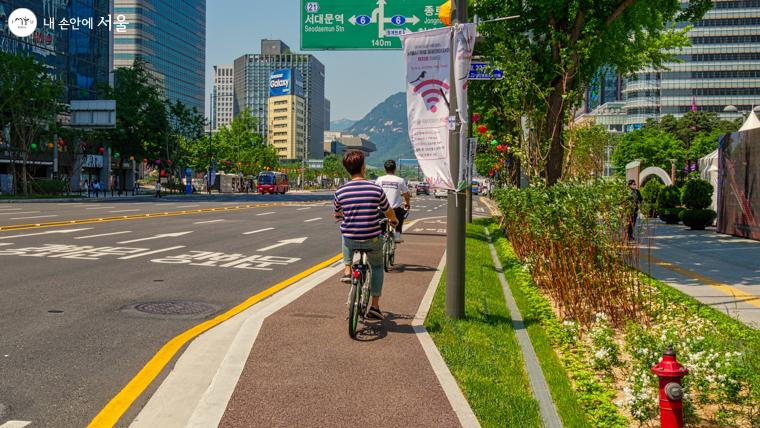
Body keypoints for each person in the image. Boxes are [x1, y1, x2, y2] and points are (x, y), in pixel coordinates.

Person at [334, 151, 399, 320]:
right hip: (372, 238)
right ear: (363, 167)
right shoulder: (375, 189)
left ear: (347, 169)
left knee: (345, 233)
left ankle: (347, 269)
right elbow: (387, 210)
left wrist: (341, 216)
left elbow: (338, 213)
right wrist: (394, 221)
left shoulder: (340, 191)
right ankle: (375, 307)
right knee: (377, 267)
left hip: (351, 240)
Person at [375, 160, 411, 243]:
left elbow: (375, 193)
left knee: (381, 225)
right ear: (395, 169)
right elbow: (406, 195)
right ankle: (397, 234)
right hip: (395, 211)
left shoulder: (380, 179)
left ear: (385, 169)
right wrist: (407, 203)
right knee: (401, 214)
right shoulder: (400, 180)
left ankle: (381, 236)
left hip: (382, 210)